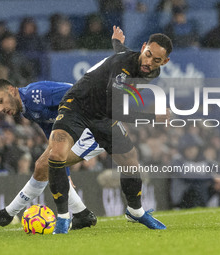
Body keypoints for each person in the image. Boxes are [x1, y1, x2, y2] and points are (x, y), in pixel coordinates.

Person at [47, 26, 171, 234]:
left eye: (156, 60)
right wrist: (152, 118)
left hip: (102, 114)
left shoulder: (144, 65)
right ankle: (62, 218)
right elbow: (115, 109)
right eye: (148, 55)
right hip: (77, 105)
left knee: (130, 160)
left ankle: (135, 210)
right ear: (143, 47)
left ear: (164, 62)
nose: (149, 62)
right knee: (57, 154)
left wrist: (116, 41)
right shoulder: (124, 68)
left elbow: (120, 50)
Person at [0, 79, 106, 229]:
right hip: (79, 129)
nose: (1, 109)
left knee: (45, 165)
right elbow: (51, 131)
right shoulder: (27, 110)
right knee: (44, 166)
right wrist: (65, 170)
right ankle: (82, 214)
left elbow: (77, 93)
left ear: (11, 90)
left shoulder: (35, 95)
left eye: (0, 101)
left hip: (96, 125)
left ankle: (7, 214)